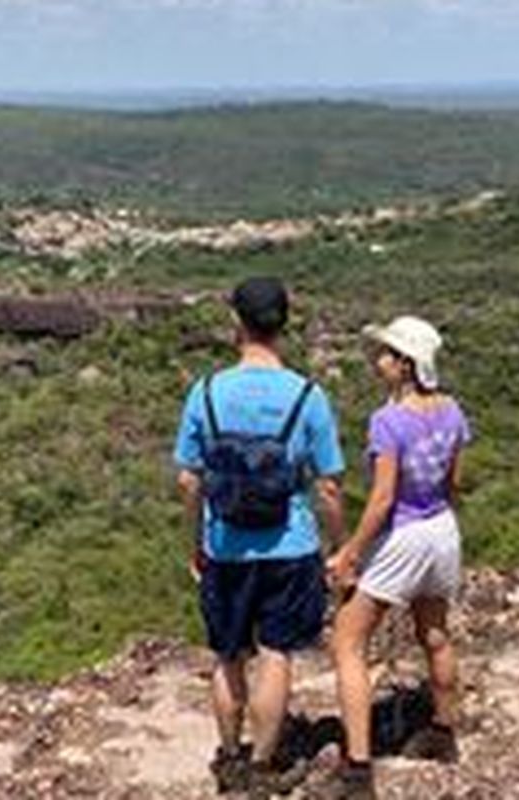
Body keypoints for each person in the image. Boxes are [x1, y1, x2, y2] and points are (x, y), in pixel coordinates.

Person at [174, 276, 346, 797]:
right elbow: (328, 487)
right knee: (275, 654)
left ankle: (230, 759)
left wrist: (193, 543)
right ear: (283, 324)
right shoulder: (308, 396)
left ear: (236, 323)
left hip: (224, 545)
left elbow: (189, 481)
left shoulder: (205, 392)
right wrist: (339, 549)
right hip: (289, 546)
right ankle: (262, 767)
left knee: (228, 657)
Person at [321, 316, 472, 799]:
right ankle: (443, 732)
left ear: (406, 365)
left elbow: (383, 497)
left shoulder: (387, 422)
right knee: (435, 633)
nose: (379, 361)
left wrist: (350, 552)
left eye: (387, 354)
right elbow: (454, 482)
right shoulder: (452, 410)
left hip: (404, 534)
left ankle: (357, 768)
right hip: (442, 528)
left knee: (348, 640)